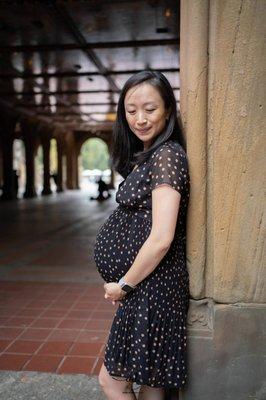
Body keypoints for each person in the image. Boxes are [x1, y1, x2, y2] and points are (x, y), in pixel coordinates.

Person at [93, 70, 190, 400]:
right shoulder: (149, 154)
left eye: (150, 109)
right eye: (131, 110)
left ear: (167, 110)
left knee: (112, 382)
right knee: (151, 382)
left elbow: (162, 236)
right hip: (148, 287)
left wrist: (124, 285)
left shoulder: (166, 155)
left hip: (152, 287)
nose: (140, 118)